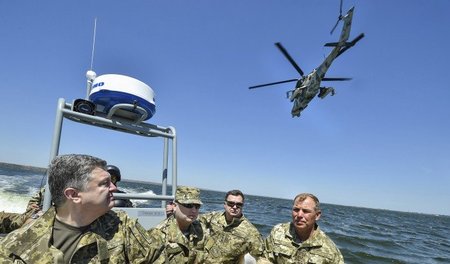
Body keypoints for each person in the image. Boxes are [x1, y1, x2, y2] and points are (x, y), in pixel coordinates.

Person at [0, 154, 165, 263]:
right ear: (74, 195)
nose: (114, 188)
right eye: (105, 184)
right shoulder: (15, 247)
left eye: (113, 182)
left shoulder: (123, 226)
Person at [262, 193, 344, 264]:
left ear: (317, 215)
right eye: (296, 210)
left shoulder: (330, 250)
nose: (299, 215)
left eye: (305, 211)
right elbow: (264, 258)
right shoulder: (278, 232)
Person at [199, 189, 265, 263]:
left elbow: (260, 257)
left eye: (239, 204)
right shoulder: (213, 217)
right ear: (225, 204)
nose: (234, 207)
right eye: (231, 203)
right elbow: (194, 221)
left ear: (242, 206)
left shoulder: (251, 232)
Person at [155, 186, 207, 263]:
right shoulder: (159, 234)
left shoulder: (201, 229)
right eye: (188, 205)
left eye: (197, 206)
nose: (194, 210)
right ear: (174, 206)